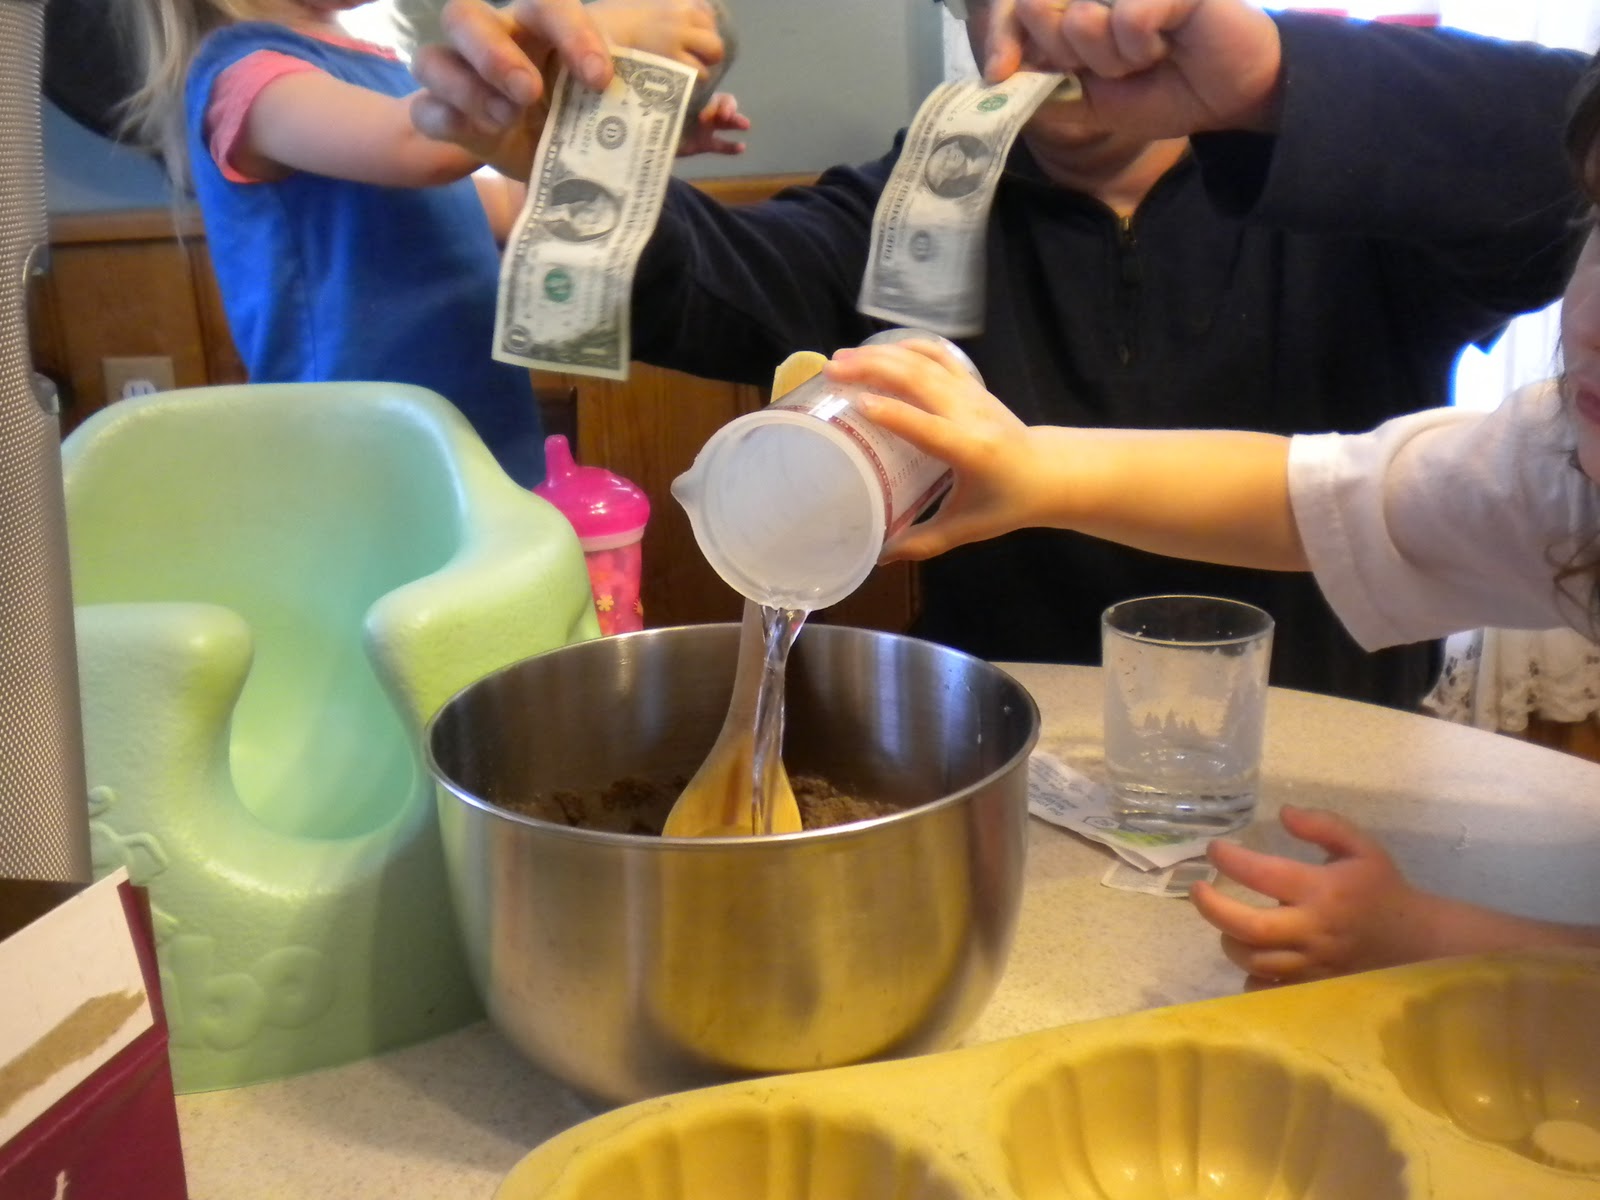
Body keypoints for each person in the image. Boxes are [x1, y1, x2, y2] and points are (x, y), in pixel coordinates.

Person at [410, 0, 1584, 707]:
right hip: (1011, 754)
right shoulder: (911, 211)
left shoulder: (1356, 199)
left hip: (1335, 752)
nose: (1057, 21)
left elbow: (1563, 163)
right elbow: (706, 281)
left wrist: (1269, 82)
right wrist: (573, 143)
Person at [811, 39, 1600, 982]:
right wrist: (1033, 468)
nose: (1590, 323)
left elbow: (1533, 131)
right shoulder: (1557, 469)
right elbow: (1323, 497)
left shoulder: (1335, 214)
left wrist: (1437, 937)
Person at [118, 0, 746, 487]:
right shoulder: (246, 77)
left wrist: (628, 139)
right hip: (356, 455)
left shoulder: (385, 68)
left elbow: (507, 204)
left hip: (476, 420)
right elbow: (416, 143)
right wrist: (596, 32)